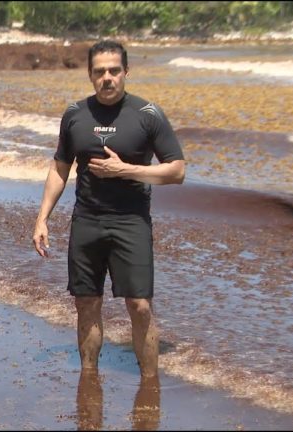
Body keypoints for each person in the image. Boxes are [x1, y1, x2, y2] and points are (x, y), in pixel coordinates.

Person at [32, 40, 185, 378]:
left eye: (114, 70)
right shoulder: (75, 114)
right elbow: (60, 168)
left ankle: (149, 384)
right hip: (86, 220)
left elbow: (177, 170)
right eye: (100, 71)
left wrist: (127, 170)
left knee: (140, 305)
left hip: (131, 222)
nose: (107, 78)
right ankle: (88, 380)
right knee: (86, 303)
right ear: (90, 74)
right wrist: (42, 218)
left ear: (126, 72)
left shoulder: (148, 114)